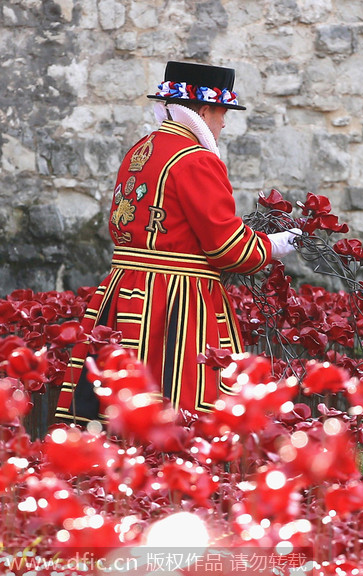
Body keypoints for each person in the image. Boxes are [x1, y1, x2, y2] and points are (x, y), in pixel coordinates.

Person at [56, 61, 299, 424]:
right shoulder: (197, 160)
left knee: (117, 401)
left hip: (124, 290)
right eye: (221, 113)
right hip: (177, 300)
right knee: (181, 403)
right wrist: (274, 245)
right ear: (203, 110)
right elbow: (227, 247)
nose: (223, 123)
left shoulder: (143, 149)